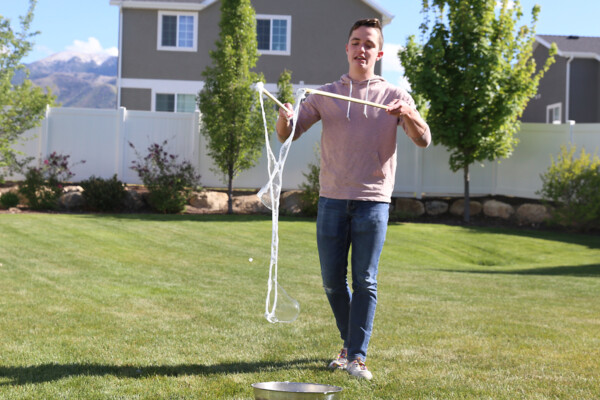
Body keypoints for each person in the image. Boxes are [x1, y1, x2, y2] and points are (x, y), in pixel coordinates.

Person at [276, 18, 431, 380]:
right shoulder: (326, 94)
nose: (361, 49)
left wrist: (407, 114)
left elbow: (423, 139)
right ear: (346, 49)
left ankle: (356, 357)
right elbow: (289, 134)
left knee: (365, 280)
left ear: (378, 53)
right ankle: (350, 346)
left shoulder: (396, 96)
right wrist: (284, 118)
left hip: (373, 202)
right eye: (355, 42)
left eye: (368, 44)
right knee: (332, 281)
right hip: (331, 200)